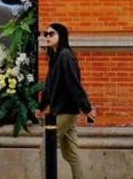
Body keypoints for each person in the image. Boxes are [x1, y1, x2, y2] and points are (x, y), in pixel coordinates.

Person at [36, 23, 94, 179]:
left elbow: (73, 83)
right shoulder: (56, 57)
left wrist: (86, 108)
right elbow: (49, 86)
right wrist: (41, 106)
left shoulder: (65, 55)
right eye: (46, 34)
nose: (47, 37)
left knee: (46, 150)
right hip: (61, 110)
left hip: (65, 111)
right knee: (71, 154)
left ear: (61, 36)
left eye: (51, 34)